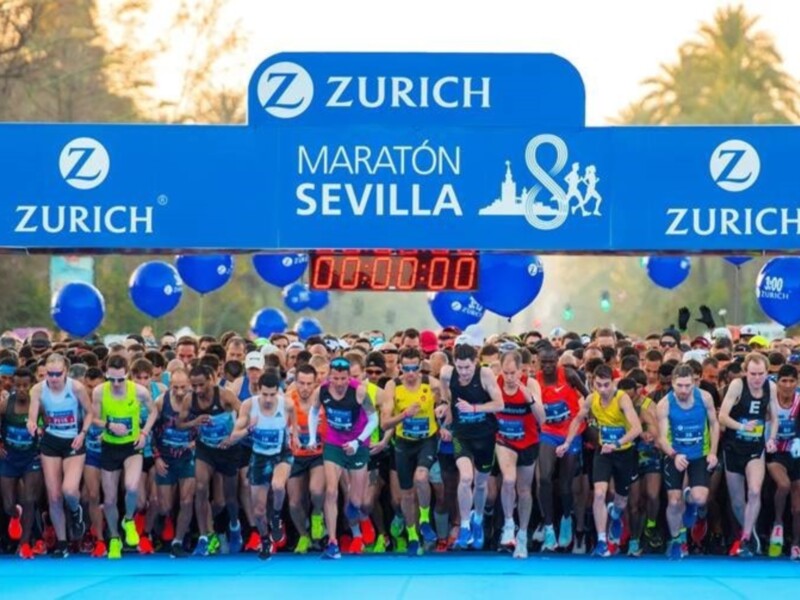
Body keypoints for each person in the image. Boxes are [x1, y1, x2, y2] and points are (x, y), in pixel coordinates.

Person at [557, 364, 642, 557]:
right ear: (593, 383)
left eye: (606, 385)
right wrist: (567, 443)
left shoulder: (622, 398)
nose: (603, 389)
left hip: (624, 452)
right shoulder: (591, 399)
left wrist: (617, 443)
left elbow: (637, 428)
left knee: (621, 501)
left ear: (613, 383)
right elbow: (577, 420)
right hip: (603, 452)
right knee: (599, 493)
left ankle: (616, 516)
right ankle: (602, 541)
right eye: (598, 385)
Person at [308, 357, 379, 559]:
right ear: (329, 377)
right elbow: (314, 412)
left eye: (343, 379)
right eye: (335, 378)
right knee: (331, 491)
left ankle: (356, 511)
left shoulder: (360, 392)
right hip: (334, 443)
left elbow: (374, 419)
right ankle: (333, 542)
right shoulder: (321, 391)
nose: (339, 383)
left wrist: (358, 441)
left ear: (349, 378)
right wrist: (312, 437)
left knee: (356, 501)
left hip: (358, 444)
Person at [437, 343, 504, 550]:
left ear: (475, 362)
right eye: (460, 367)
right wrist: (445, 403)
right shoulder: (447, 372)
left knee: (481, 484)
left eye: (467, 367)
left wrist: (474, 408)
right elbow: (443, 383)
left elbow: (499, 404)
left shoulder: (485, 375)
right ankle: (465, 524)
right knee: (466, 478)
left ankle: (478, 520)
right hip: (462, 435)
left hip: (485, 436)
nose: (464, 372)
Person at [27, 353, 94, 558]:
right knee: (54, 496)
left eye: (58, 374)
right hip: (51, 441)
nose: (54, 378)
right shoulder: (38, 389)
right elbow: (32, 414)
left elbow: (90, 412)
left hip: (73, 441)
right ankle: (62, 543)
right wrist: (32, 424)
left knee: (69, 490)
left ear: (65, 372)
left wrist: (83, 433)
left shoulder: (76, 388)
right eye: (50, 374)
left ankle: (75, 511)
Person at [92, 355, 156, 559]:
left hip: (132, 446)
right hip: (110, 447)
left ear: (127, 375)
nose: (116, 383)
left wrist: (144, 433)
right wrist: (109, 425)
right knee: (110, 499)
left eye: (120, 379)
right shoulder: (99, 391)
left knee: (132, 487)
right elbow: (93, 419)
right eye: (112, 379)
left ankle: (128, 519)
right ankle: (114, 538)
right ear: (106, 374)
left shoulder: (139, 391)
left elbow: (153, 412)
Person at [178, 365, 243, 556]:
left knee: (230, 497)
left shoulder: (225, 396)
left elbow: (244, 414)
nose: (198, 390)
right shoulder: (189, 399)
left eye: (201, 385)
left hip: (227, 449)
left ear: (211, 380)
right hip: (205, 448)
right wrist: (194, 422)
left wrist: (232, 436)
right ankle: (204, 537)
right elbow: (179, 423)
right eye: (194, 386)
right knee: (200, 488)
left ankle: (234, 525)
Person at [718, 353, 779, 557]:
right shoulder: (737, 385)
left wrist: (771, 438)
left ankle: (744, 538)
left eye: (761, 374)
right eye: (753, 374)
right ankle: (750, 532)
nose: (757, 378)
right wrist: (742, 427)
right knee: (737, 501)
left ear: (767, 372)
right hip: (733, 447)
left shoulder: (770, 387)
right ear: (746, 372)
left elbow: (775, 418)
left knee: (754, 491)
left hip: (755, 448)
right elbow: (722, 416)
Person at [381, 348, 441, 556]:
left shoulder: (430, 383)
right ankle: (413, 535)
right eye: (406, 369)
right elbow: (385, 423)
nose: (411, 373)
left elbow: (447, 399)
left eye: (414, 368)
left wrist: (443, 407)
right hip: (404, 443)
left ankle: (424, 518)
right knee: (406, 494)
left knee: (421, 477)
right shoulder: (393, 386)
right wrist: (404, 415)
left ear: (420, 366)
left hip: (426, 440)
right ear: (400, 367)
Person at [656, 364, 720, 559]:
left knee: (700, 499)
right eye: (679, 386)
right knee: (674, 501)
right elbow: (662, 438)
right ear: (672, 384)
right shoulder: (664, 404)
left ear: (694, 383)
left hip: (699, 454)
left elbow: (714, 424)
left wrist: (713, 452)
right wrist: (674, 455)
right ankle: (676, 540)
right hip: (675, 454)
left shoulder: (705, 398)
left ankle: (690, 504)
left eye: (687, 386)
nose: (683, 390)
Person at [230, 371, 295, 560]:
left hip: (281, 453)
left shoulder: (287, 404)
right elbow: (233, 437)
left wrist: (296, 438)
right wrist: (249, 428)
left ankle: (276, 516)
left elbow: (295, 428)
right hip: (259, 456)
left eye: (272, 395)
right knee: (258, 511)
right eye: (264, 394)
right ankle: (265, 539)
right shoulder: (249, 405)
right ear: (258, 391)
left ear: (278, 392)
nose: (268, 399)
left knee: (278, 485)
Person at [536, 344, 587, 551]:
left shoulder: (569, 375)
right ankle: (549, 528)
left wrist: (585, 417)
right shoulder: (535, 380)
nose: (547, 366)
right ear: (538, 362)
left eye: (551, 362)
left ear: (557, 361)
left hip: (571, 432)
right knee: (544, 478)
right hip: (548, 432)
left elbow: (589, 397)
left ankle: (566, 519)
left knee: (565, 484)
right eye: (544, 362)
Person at [495, 350, 545, 558]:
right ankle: (509, 523)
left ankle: (522, 534)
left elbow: (542, 419)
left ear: (521, 370)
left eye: (513, 373)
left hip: (528, 441)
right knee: (508, 480)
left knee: (524, 490)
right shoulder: (495, 382)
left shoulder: (530, 384)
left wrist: (529, 398)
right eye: (505, 373)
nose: (509, 377)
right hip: (504, 440)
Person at [151, 368, 196, 558]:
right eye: (175, 387)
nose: (179, 392)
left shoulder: (197, 402)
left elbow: (207, 427)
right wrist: (157, 457)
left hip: (188, 457)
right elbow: (150, 431)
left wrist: (197, 443)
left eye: (183, 387)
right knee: (165, 506)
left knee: (186, 500)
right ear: (169, 385)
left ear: (190, 385)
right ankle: (162, 520)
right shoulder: (161, 402)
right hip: (166, 457)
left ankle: (178, 541)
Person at [0, 368, 42, 558]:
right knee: (8, 504)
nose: (22, 390)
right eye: (18, 386)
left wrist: (43, 450)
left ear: (31, 385)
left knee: (29, 499)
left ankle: (25, 544)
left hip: (30, 458)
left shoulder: (38, 405)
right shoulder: (5, 405)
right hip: (9, 458)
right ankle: (15, 514)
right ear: (13, 386)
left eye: (26, 385)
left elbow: (49, 426)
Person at [765, 364, 800, 558]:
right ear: (777, 382)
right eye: (784, 381)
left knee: (798, 507)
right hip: (775, 453)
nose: (788, 385)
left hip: (796, 453)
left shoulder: (799, 401)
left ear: (797, 382)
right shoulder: (770, 401)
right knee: (784, 484)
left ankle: (796, 544)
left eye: (792, 381)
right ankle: (777, 524)